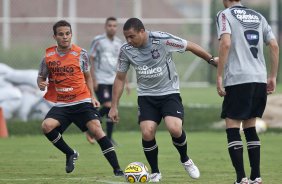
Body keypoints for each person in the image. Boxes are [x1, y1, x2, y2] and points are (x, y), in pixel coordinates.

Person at [109, 18, 218, 182]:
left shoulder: (161, 40)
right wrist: (114, 106)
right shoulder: (126, 50)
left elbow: (190, 46)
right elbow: (119, 78)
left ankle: (185, 159)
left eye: (132, 36)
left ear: (142, 31)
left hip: (169, 93)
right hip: (146, 97)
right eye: (126, 37)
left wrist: (210, 59)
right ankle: (155, 172)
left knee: (175, 129)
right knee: (147, 132)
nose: (129, 41)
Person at [37, 20, 124, 176]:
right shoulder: (48, 56)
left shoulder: (80, 53)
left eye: (68, 33)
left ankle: (117, 170)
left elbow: (88, 77)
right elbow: (41, 77)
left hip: (82, 101)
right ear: (55, 36)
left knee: (97, 130)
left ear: (71, 34)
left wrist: (92, 96)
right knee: (46, 126)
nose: (65, 37)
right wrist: (41, 83)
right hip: (62, 104)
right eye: (61, 34)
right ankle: (70, 153)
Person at [216, 1, 279, 184]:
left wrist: (219, 76)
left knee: (233, 126)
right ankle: (256, 177)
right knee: (250, 127)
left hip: (238, 78)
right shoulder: (258, 16)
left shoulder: (225, 14)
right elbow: (274, 45)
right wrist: (273, 76)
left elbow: (226, 43)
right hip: (259, 78)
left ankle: (241, 178)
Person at [87, 17, 130, 145]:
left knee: (113, 108)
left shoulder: (119, 43)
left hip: (114, 80)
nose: (112, 28)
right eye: (110, 25)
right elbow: (92, 59)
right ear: (106, 27)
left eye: (115, 26)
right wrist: (94, 79)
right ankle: (90, 127)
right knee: (107, 105)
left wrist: (126, 83)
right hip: (101, 79)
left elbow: (121, 64)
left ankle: (109, 137)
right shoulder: (98, 41)